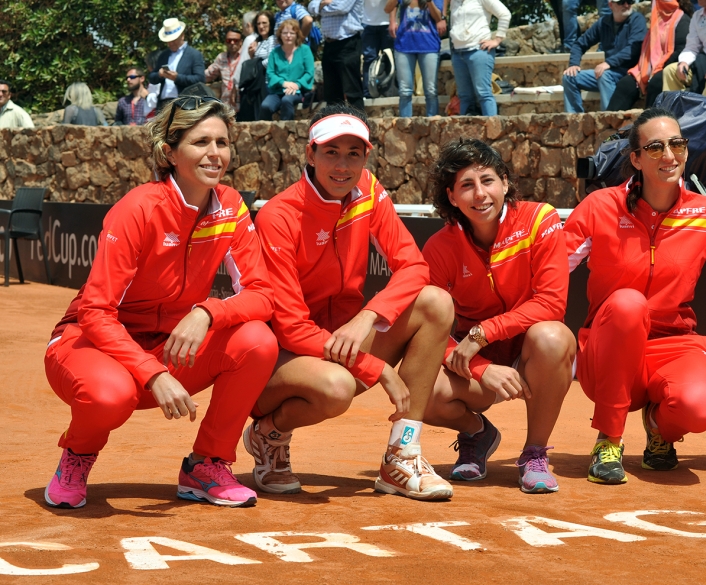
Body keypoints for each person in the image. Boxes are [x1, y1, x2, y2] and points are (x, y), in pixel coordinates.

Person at [43, 96, 278, 509]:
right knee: (109, 395)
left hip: (168, 345)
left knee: (257, 341)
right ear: (170, 152)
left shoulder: (231, 207)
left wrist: (208, 311)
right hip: (91, 344)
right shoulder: (137, 208)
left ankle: (207, 464)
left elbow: (262, 294)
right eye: (201, 142)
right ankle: (77, 456)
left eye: (222, 143)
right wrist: (152, 373)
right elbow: (96, 312)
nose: (215, 154)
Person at [249, 103, 455, 500]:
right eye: (331, 152)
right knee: (336, 387)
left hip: (343, 339)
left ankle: (402, 454)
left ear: (366, 156)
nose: (342, 166)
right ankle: (268, 435)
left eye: (353, 154)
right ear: (310, 154)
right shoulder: (278, 215)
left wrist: (369, 316)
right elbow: (290, 327)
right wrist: (377, 368)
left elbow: (413, 266)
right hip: (285, 358)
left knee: (435, 303)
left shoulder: (370, 191)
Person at [563, 108, 706, 483]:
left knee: (701, 406)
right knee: (628, 303)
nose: (669, 155)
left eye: (677, 144)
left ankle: (660, 429)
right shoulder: (599, 207)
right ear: (635, 159)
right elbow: (550, 270)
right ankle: (608, 439)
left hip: (674, 345)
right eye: (656, 147)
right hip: (609, 349)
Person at [422, 139, 575, 494]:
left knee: (553, 336)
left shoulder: (541, 218)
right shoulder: (439, 247)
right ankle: (476, 433)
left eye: (488, 180)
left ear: (505, 183)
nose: (480, 194)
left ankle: (535, 454)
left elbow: (552, 302)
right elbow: (426, 329)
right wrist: (479, 367)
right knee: (420, 389)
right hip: (477, 362)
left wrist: (483, 333)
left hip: (531, 353)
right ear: (451, 196)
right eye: (466, 185)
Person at [562, 0, 647, 113]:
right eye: (621, 2)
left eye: (629, 1)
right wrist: (573, 64)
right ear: (610, 5)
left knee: (605, 76)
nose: (626, 5)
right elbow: (579, 44)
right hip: (610, 72)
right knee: (569, 77)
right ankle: (574, 120)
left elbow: (633, 48)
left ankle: (608, 120)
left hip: (629, 73)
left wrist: (609, 63)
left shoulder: (637, 20)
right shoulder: (604, 22)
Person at [607, 0, 691, 111]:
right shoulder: (656, 21)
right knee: (625, 84)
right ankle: (608, 125)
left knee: (656, 82)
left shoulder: (682, 20)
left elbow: (681, 49)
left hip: (671, 66)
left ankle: (648, 122)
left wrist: (659, 68)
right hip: (649, 68)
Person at [446, 0, 511, 116]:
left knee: (484, 93)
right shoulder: (454, 2)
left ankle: (492, 131)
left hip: (478, 50)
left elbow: (505, 14)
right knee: (464, 96)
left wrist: (497, 39)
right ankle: (465, 131)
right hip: (458, 52)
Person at [387, 0, 446, 116]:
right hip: (404, 45)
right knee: (405, 91)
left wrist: (429, 2)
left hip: (428, 45)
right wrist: (392, 21)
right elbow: (387, 8)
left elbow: (439, 18)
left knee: (431, 91)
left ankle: (432, 126)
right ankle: (405, 127)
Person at [662, 0, 706, 100]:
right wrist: (684, 62)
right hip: (705, 65)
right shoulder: (697, 16)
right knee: (670, 71)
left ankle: (700, 113)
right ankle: (672, 111)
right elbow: (692, 46)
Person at [313, 0, 368, 110]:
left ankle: (358, 124)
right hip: (329, 45)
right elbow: (311, 7)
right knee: (331, 94)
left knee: (352, 90)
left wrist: (320, 7)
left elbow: (341, 7)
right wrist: (324, 3)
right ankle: (335, 125)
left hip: (348, 43)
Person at [261, 19, 315, 121]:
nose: (288, 36)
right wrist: (284, 83)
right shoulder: (274, 53)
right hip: (278, 90)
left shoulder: (305, 50)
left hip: (298, 91)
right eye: (285, 33)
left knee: (287, 100)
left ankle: (286, 130)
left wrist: (297, 84)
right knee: (266, 106)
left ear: (297, 35)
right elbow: (270, 74)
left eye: (292, 33)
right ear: (280, 35)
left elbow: (309, 72)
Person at [149, 18, 207, 109]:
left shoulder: (194, 55)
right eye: (169, 40)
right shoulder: (164, 55)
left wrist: (177, 78)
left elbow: (200, 79)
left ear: (182, 36)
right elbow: (151, 77)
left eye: (174, 40)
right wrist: (159, 74)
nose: (171, 43)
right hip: (164, 104)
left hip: (185, 103)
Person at [364, 0, 397, 99]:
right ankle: (368, 92)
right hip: (367, 22)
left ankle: (389, 91)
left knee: (389, 58)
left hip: (387, 22)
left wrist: (392, 21)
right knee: (369, 59)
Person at [206, 29, 243, 109]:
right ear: (225, 42)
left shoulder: (246, 56)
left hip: (243, 103)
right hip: (226, 105)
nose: (232, 43)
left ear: (241, 42)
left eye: (235, 40)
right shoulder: (221, 57)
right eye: (229, 40)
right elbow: (208, 75)